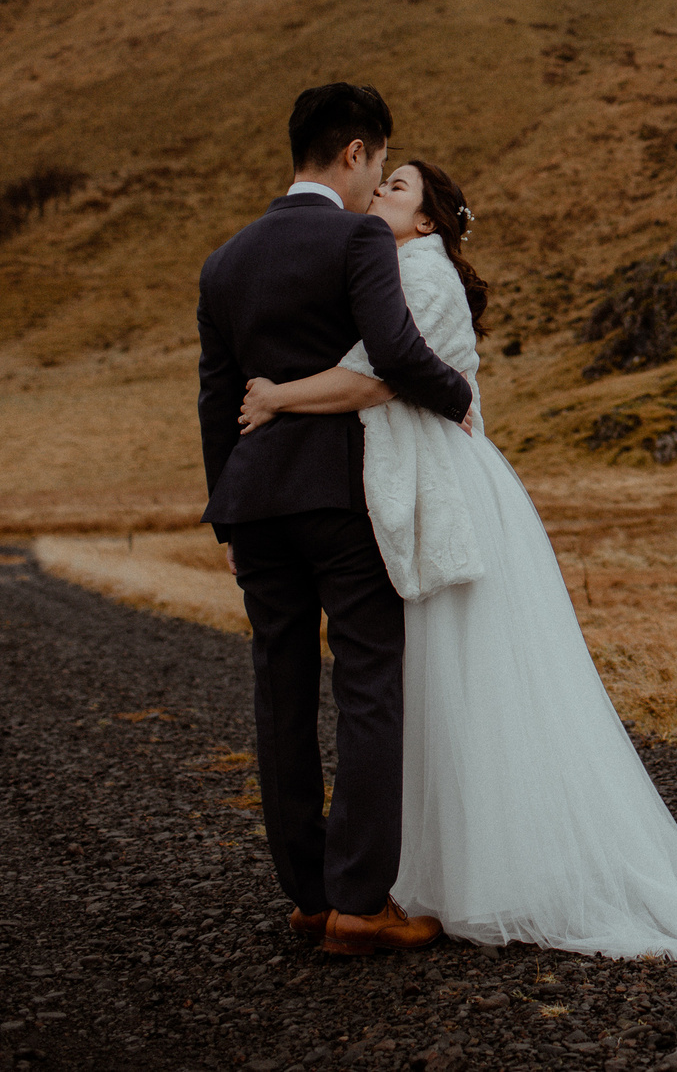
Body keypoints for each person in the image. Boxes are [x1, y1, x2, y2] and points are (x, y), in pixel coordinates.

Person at [236, 159, 677, 962]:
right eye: (382, 182)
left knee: (463, 678)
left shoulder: (423, 275)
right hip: (411, 492)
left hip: (448, 497)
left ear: (429, 221)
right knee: (423, 682)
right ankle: (407, 874)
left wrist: (275, 396)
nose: (378, 194)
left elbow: (376, 379)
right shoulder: (389, 265)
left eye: (397, 189)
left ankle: (478, 874)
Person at [196, 83, 477, 957]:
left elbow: (216, 400)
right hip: (339, 496)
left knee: (279, 689)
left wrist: (228, 516)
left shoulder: (226, 260)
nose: (378, 184)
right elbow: (393, 353)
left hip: (256, 506)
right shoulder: (355, 235)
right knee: (367, 683)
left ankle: (309, 896)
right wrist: (458, 391)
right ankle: (360, 902)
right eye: (381, 165)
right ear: (354, 151)